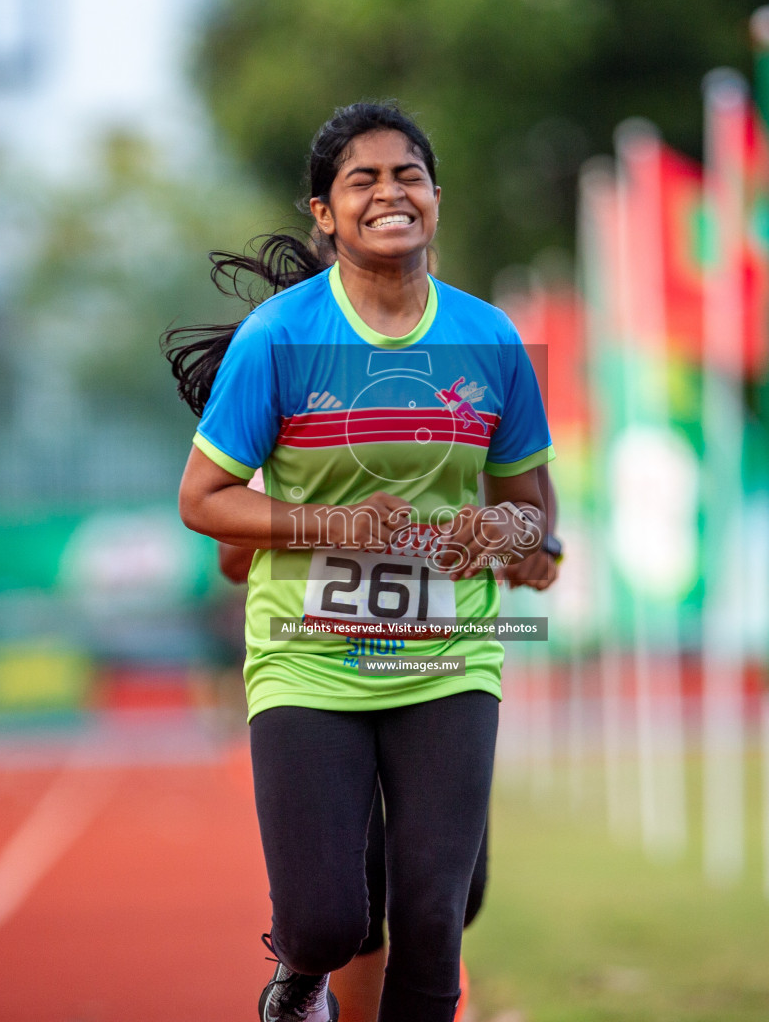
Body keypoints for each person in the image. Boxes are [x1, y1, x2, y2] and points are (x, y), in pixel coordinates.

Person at [166, 101, 554, 1022]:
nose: (390, 191)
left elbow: (533, 514)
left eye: (408, 174)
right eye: (362, 179)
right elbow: (202, 500)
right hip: (308, 658)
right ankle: (299, 979)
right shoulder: (281, 339)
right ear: (324, 213)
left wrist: (499, 537)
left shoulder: (489, 339)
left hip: (447, 658)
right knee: (327, 919)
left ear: (435, 199)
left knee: (435, 915)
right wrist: (333, 529)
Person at [215, 471, 564, 1022]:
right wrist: (337, 522)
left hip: (439, 669)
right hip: (328, 670)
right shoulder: (311, 425)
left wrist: (531, 543)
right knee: (352, 903)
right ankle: (312, 982)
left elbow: (533, 498)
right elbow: (232, 560)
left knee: (451, 901)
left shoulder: (474, 400)